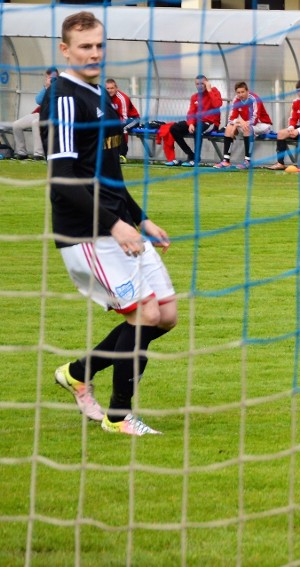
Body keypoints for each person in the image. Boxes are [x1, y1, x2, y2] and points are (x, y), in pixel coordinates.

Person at [41, 11, 177, 436]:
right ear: (65, 50)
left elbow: (109, 175)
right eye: (84, 46)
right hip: (86, 232)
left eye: (99, 45)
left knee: (167, 315)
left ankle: (79, 372)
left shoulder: (100, 94)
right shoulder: (63, 97)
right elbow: (63, 180)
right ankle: (118, 416)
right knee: (145, 314)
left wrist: (141, 218)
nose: (94, 53)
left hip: (118, 224)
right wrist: (114, 224)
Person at [166, 74, 223, 167]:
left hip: (211, 123)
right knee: (174, 128)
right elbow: (191, 113)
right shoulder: (194, 97)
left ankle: (196, 159)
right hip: (196, 123)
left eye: (202, 83)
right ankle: (191, 155)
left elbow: (217, 104)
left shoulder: (214, 91)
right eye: (197, 84)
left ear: (207, 83)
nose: (199, 86)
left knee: (198, 129)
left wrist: (209, 90)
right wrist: (191, 124)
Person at [214, 81, 273, 170]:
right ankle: (226, 160)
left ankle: (247, 161)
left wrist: (239, 123)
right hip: (248, 124)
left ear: (247, 91)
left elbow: (255, 119)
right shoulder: (236, 100)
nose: (240, 94)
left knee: (247, 128)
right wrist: (236, 124)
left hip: (262, 124)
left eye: (242, 92)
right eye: (238, 92)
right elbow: (231, 118)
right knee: (229, 128)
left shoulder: (254, 99)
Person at [12, 67, 58, 160]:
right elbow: (38, 100)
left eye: (54, 78)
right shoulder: (46, 87)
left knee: (36, 123)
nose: (52, 80)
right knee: (16, 125)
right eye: (50, 77)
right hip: (41, 114)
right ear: (46, 77)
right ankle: (21, 152)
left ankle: (39, 154)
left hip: (53, 116)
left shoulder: (61, 87)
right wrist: (46, 87)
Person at [105, 78, 141, 163]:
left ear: (116, 88)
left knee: (122, 127)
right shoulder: (104, 97)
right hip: (117, 120)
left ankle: (122, 155)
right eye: (108, 88)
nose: (110, 90)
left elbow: (124, 118)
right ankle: (109, 154)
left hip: (133, 119)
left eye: (112, 88)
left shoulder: (122, 98)